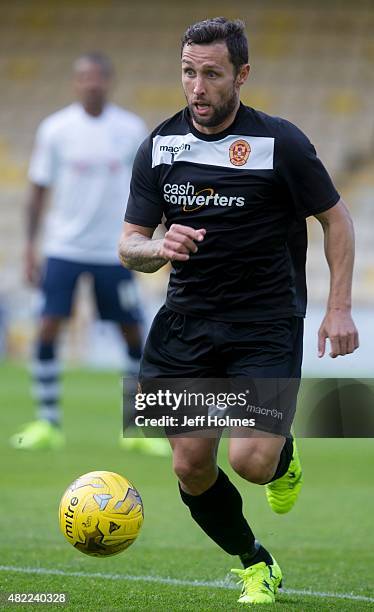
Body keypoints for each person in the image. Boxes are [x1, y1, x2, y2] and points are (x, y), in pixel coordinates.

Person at [118, 18, 359, 606]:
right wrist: (159, 248)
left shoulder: (282, 143)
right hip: (184, 326)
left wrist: (339, 309)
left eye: (211, 74)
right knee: (190, 467)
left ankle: (282, 456)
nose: (196, 88)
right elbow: (130, 244)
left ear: (241, 75)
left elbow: (337, 219)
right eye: (187, 72)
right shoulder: (160, 145)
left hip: (265, 323)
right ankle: (255, 562)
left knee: (250, 462)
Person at [10, 52, 168, 456]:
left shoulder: (130, 128)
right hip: (63, 247)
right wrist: (30, 247)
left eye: (98, 77)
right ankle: (48, 423)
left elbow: (152, 188)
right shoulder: (56, 129)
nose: (91, 83)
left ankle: (135, 427)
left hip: (114, 249)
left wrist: (160, 237)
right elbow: (37, 192)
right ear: (75, 82)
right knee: (47, 327)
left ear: (109, 82)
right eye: (84, 76)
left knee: (132, 333)